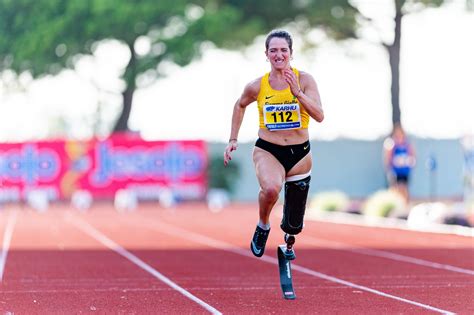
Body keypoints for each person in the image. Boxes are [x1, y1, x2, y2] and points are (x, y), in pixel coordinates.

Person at [223, 30, 324, 259]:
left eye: (283, 50)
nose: (279, 55)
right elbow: (240, 105)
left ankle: (289, 243)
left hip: (300, 153)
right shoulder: (257, 86)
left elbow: (319, 115)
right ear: (266, 55)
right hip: (269, 150)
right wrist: (232, 139)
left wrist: (297, 93)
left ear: (291, 53)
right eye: (273, 50)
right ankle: (263, 224)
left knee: (293, 225)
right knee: (270, 189)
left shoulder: (305, 80)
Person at [383, 124, 416, 204]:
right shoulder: (392, 145)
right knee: (395, 189)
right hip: (395, 171)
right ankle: (395, 203)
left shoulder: (407, 145)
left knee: (404, 189)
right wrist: (390, 166)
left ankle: (405, 204)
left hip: (404, 172)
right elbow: (388, 158)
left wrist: (409, 161)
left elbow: (413, 157)